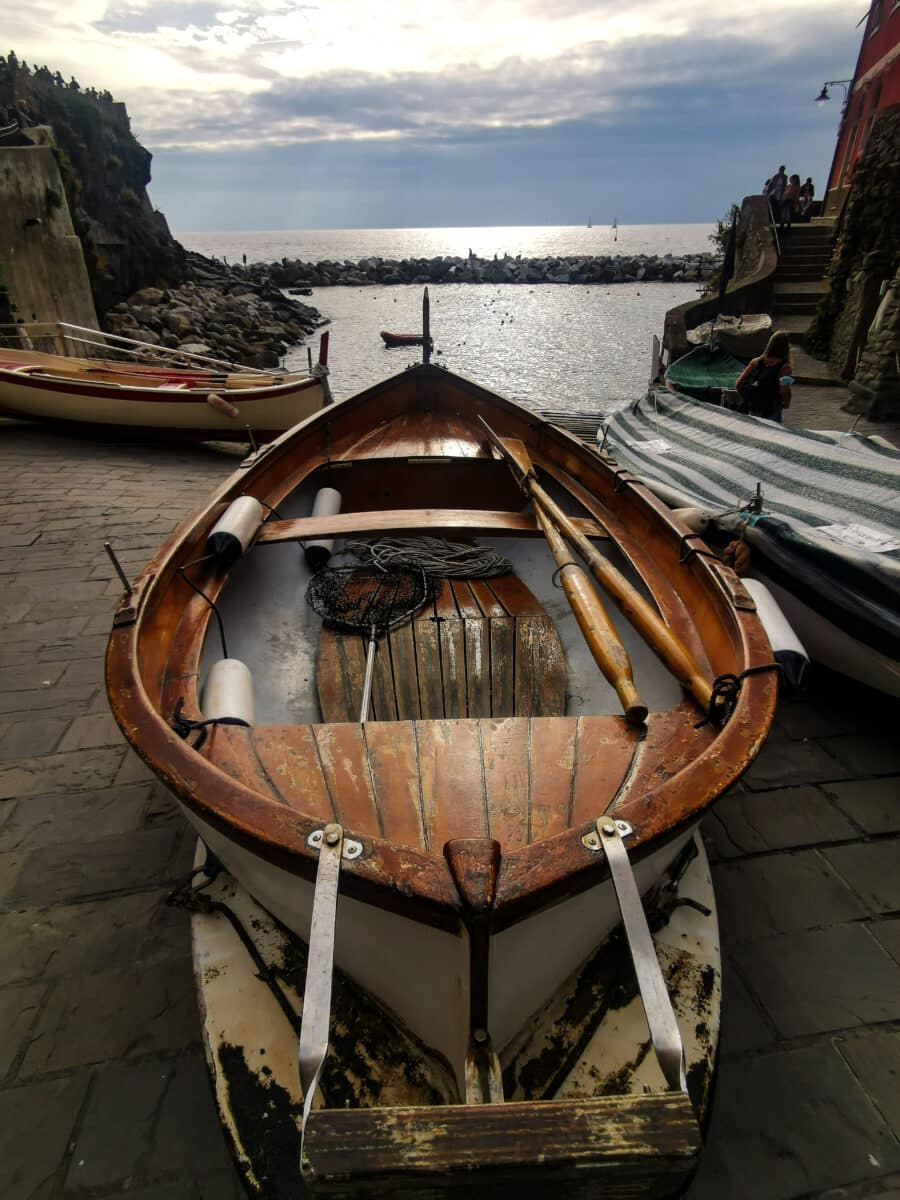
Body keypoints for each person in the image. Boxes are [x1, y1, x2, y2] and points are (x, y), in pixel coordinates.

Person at [734, 330, 793, 422]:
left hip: (753, 408)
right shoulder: (785, 368)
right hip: (772, 410)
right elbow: (784, 390)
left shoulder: (755, 362)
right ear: (786, 347)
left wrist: (748, 397)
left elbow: (738, 384)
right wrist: (786, 404)